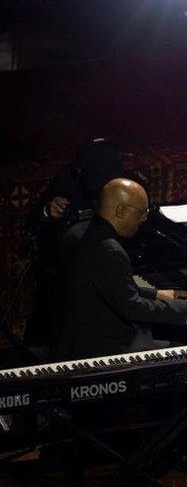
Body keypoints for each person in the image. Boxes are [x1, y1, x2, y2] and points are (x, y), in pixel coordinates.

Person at [52, 178, 187, 361]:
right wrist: (186, 307)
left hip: (78, 336)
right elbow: (132, 307)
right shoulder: (110, 250)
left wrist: (160, 294)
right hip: (103, 348)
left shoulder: (85, 231)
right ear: (121, 210)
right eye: (142, 212)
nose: (144, 219)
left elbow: (114, 288)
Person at [21, 138, 128, 348]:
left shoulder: (126, 187)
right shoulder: (69, 179)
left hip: (108, 268)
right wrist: (49, 210)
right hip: (64, 269)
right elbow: (36, 217)